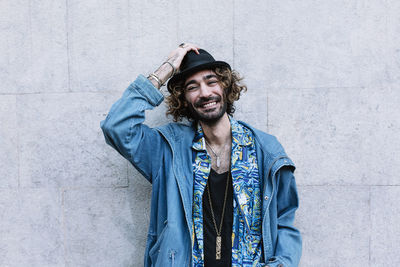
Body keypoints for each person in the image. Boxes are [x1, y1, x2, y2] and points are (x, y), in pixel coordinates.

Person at [100, 43, 302, 267]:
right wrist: (166, 68)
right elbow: (116, 127)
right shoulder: (168, 150)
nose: (205, 93)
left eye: (211, 82)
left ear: (225, 87)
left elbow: (284, 219)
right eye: (192, 87)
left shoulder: (265, 149)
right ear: (183, 98)